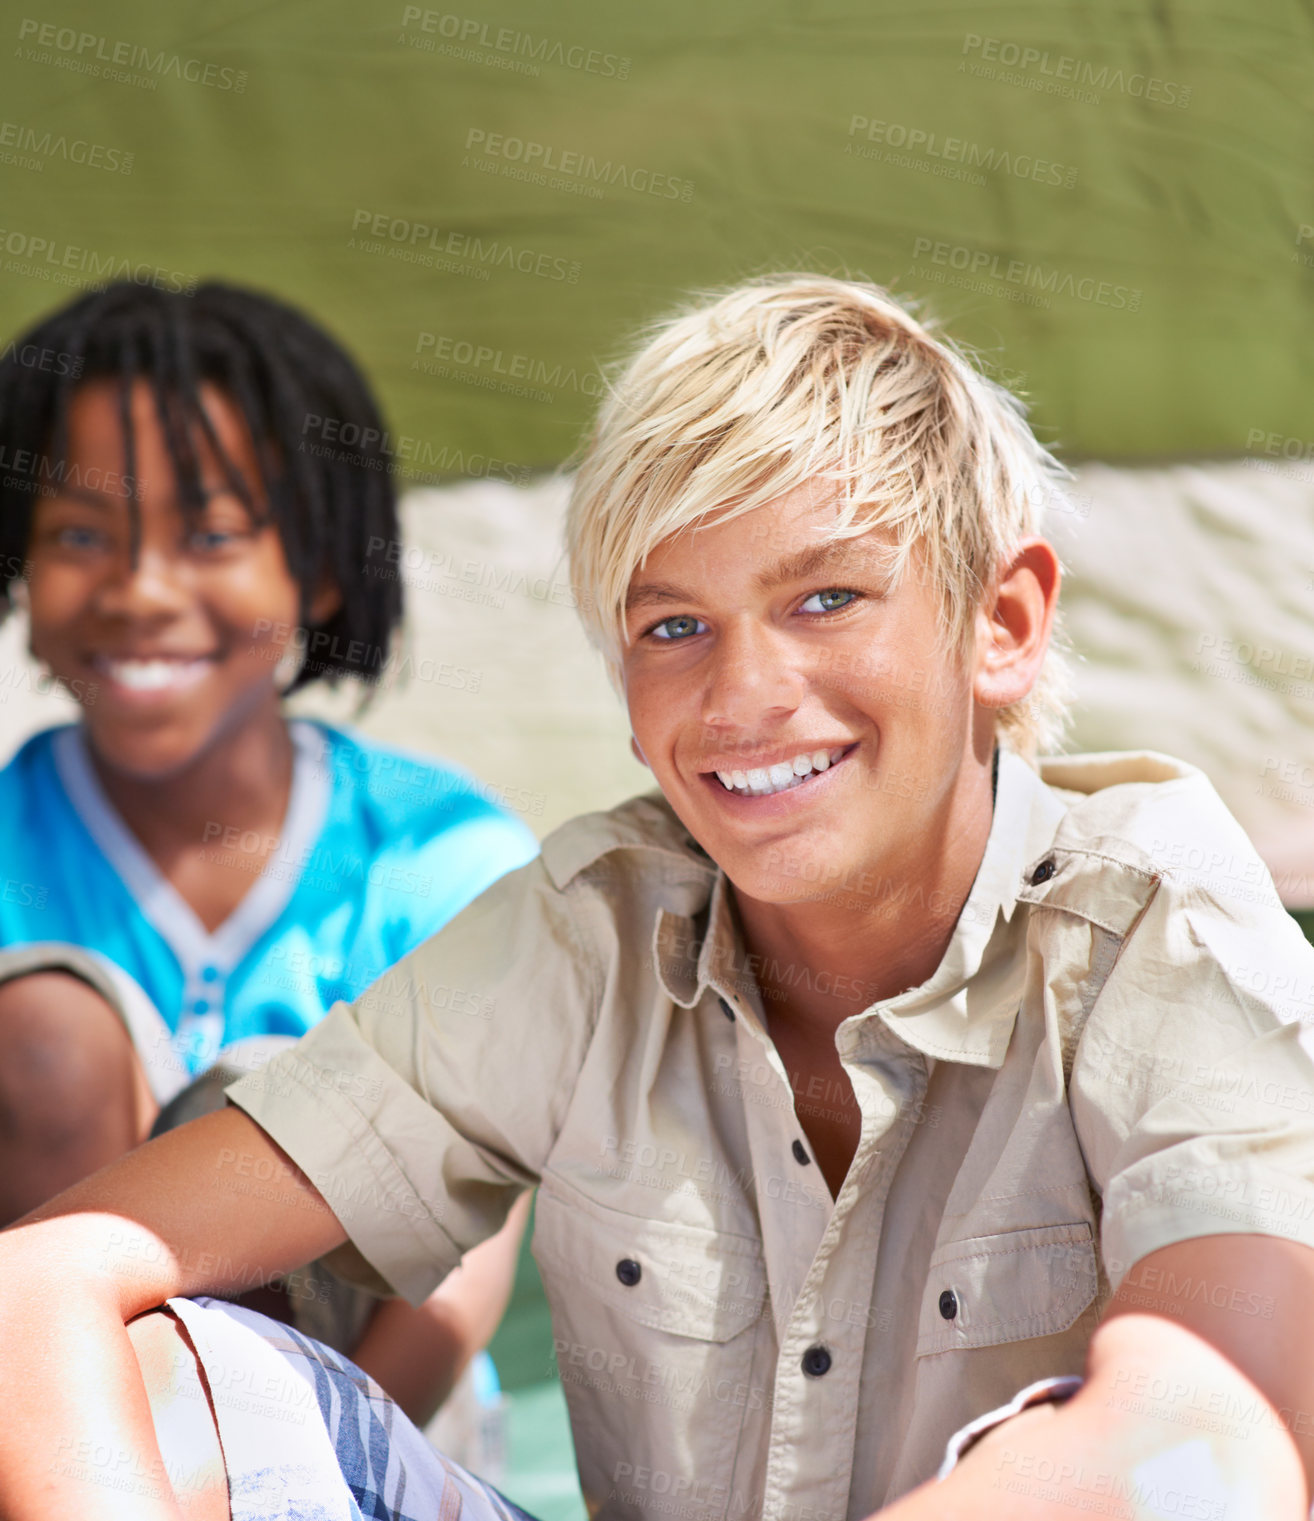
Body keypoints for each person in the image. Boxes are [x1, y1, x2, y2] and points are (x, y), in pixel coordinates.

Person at [4, 272, 1314, 1521]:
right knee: (174, 1377)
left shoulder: (1157, 927)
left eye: (826, 597)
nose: (741, 698)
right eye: (673, 626)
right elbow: (43, 1275)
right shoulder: (592, 932)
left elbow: (1218, 1440)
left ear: (1004, 622)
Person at [0, 279, 537, 1421]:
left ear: (322, 569)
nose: (140, 592)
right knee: (44, 1036)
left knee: (274, 1101)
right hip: (46, 1422)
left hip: (358, 1434)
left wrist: (311, 1483)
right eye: (82, 534)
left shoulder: (444, 862)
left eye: (211, 536)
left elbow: (460, 1273)